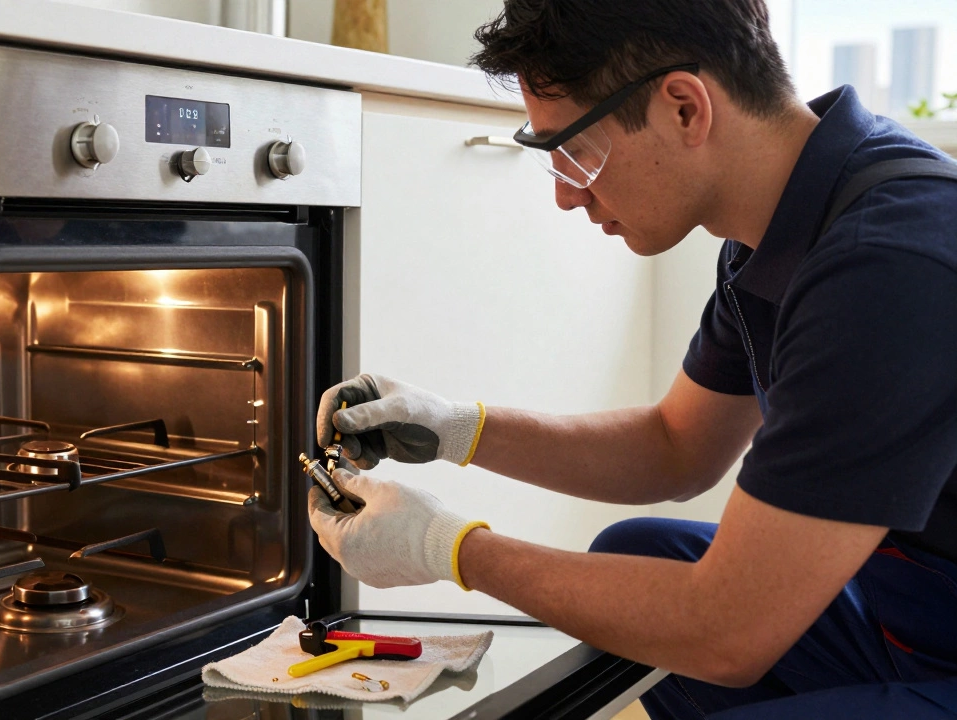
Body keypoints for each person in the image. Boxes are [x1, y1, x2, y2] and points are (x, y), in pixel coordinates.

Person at [306, 1, 957, 717]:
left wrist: (446, 548)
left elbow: (729, 633)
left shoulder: (888, 264)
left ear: (684, 108)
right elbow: (676, 447)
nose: (563, 193)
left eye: (576, 151)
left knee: (698, 623)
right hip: (908, 617)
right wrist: (456, 428)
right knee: (638, 552)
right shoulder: (778, 227)